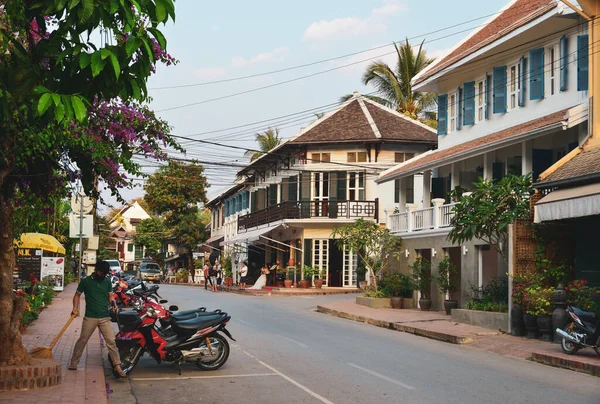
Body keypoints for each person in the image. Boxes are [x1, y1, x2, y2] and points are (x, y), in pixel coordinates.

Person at [69, 260, 125, 378]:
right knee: (83, 340)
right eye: (101, 272)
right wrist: (75, 308)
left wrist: (114, 304)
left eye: (104, 273)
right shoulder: (86, 282)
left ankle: (117, 365)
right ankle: (74, 362)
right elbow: (77, 295)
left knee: (111, 341)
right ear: (96, 270)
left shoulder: (106, 281)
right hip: (90, 317)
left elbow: (110, 296)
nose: (102, 275)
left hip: (104, 317)